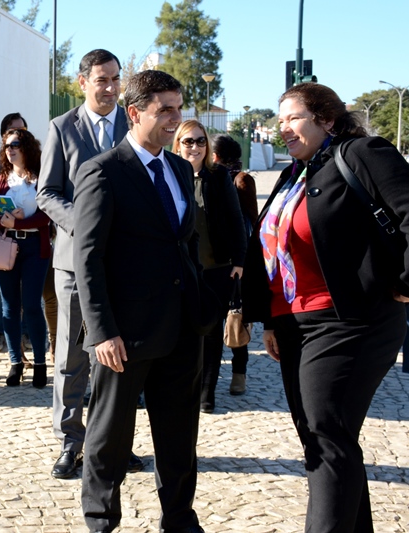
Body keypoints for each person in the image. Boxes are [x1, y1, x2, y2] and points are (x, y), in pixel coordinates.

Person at [243, 83, 409, 532]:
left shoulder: (362, 153)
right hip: (297, 325)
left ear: (327, 119)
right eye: (280, 120)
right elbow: (275, 252)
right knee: (327, 442)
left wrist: (406, 283)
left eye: (294, 117)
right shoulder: (296, 172)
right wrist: (272, 321)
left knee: (326, 438)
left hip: (353, 322)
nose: (284, 128)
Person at [74, 69, 214, 533]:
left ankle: (179, 518)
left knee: (178, 435)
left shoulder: (178, 168)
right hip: (125, 334)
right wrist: (101, 331)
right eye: (165, 110)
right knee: (109, 436)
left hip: (180, 328)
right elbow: (88, 259)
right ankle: (100, 520)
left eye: (179, 108)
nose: (176, 119)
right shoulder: (102, 172)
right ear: (135, 113)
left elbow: (185, 243)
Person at [36, 48, 144, 480]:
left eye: (116, 79)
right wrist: (85, 226)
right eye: (102, 79)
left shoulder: (132, 124)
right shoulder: (61, 128)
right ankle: (70, 441)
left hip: (124, 262)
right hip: (74, 262)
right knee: (71, 356)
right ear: (82, 82)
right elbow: (47, 193)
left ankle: (114, 442)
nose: (111, 87)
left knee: (119, 356)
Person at [172, 121, 247, 414]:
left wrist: (240, 260)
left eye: (200, 141)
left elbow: (235, 218)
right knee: (182, 329)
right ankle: (182, 386)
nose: (195, 147)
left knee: (213, 331)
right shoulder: (166, 175)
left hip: (217, 266)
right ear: (177, 144)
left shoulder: (218, 178)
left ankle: (207, 392)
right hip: (179, 268)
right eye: (188, 141)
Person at [0, 128, 50, 388]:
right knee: (9, 307)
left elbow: (47, 215)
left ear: (28, 148)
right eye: (7, 145)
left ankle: (41, 364)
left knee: (32, 305)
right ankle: (15, 363)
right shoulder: (1, 180)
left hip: (35, 247)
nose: (11, 149)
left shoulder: (41, 178)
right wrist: (4, 219)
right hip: (6, 247)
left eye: (16, 144)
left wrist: (21, 222)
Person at [212, 134, 258, 395]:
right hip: (227, 260)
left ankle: (238, 375)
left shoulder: (242, 181)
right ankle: (231, 376)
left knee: (236, 318)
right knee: (230, 318)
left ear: (215, 156)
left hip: (238, 261)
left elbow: (253, 218)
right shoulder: (214, 177)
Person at [0, 112, 28, 353]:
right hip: (1, 236)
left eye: (23, 130)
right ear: (3, 136)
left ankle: (27, 331)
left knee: (28, 288)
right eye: (14, 131)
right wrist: (13, 213)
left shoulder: (36, 161)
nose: (20, 135)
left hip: (28, 234)